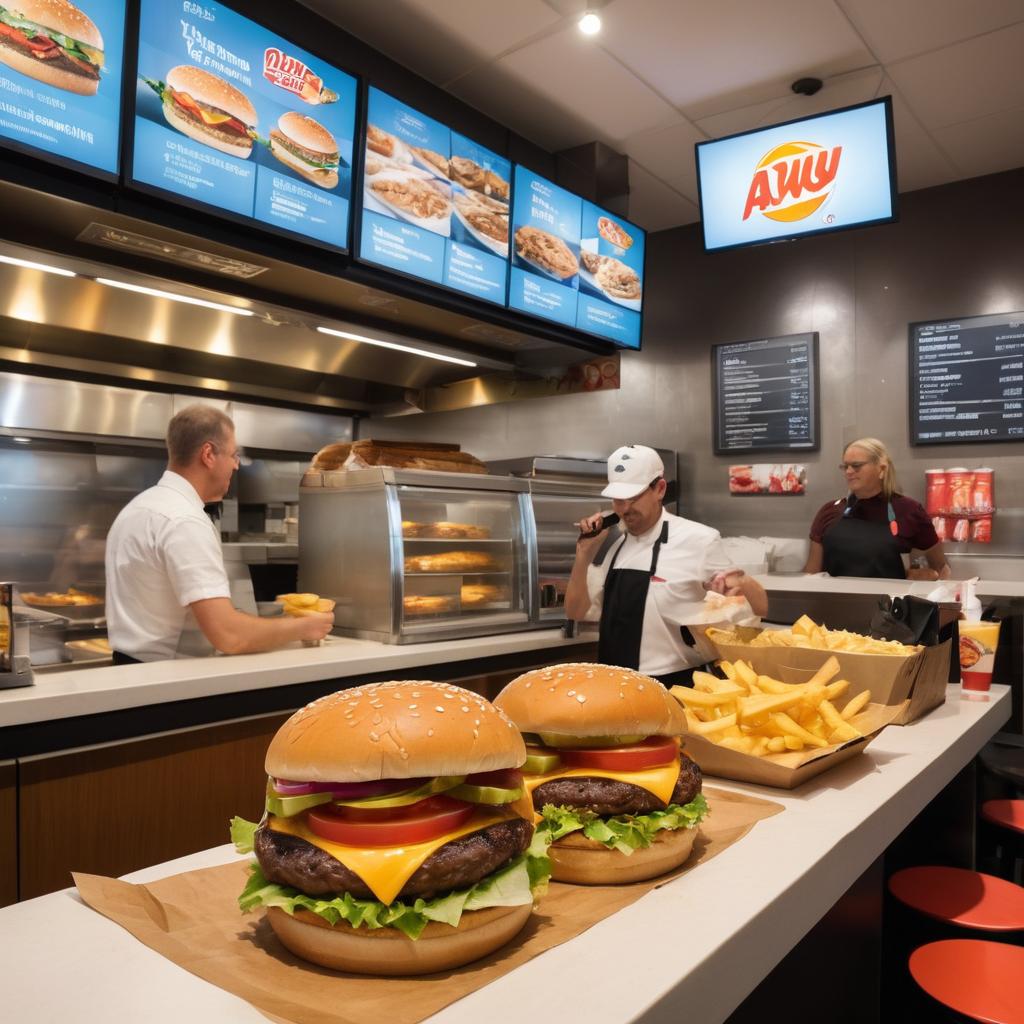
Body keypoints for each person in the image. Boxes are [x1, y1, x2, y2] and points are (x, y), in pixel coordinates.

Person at [105, 405, 332, 663]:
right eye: (233, 455)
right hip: (169, 684)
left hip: (131, 672)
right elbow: (228, 635)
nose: (236, 466)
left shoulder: (136, 509)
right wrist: (302, 627)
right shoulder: (185, 521)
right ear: (208, 454)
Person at [564, 444, 768, 687]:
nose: (625, 508)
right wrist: (583, 555)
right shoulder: (613, 544)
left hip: (677, 684)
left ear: (659, 489)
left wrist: (743, 583)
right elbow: (575, 612)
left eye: (634, 497)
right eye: (618, 499)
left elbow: (760, 608)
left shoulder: (699, 540)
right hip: (616, 683)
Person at [803, 437, 950, 581]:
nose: (848, 471)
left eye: (856, 466)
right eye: (845, 466)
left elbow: (941, 568)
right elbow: (811, 574)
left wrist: (925, 578)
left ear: (881, 469)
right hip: (834, 603)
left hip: (887, 603)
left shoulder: (909, 510)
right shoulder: (829, 511)